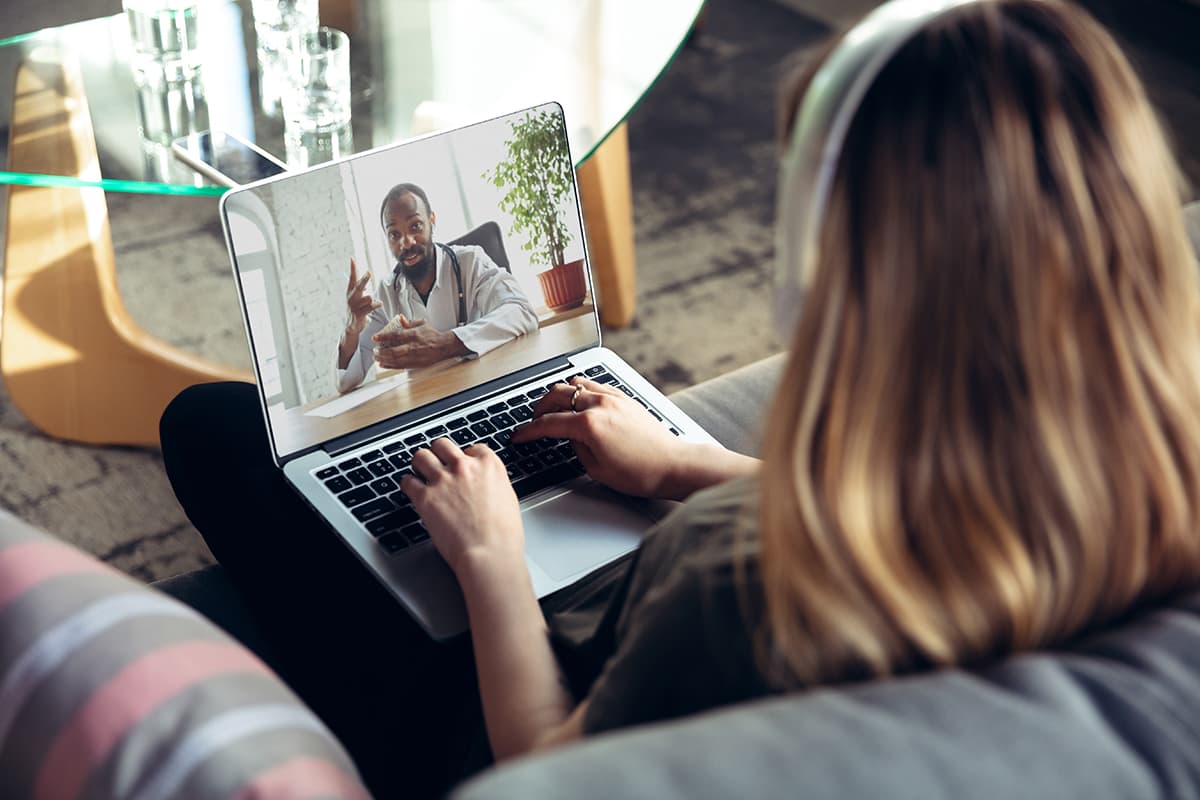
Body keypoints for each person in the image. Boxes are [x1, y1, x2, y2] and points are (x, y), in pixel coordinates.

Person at [159, 0, 1200, 796]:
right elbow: (936, 528)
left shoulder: (733, 589)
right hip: (642, 523)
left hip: (507, 692)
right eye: (392, 234)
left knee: (210, 427)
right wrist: (686, 463)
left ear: (820, 278)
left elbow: (542, 757)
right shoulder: (1145, 478)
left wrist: (490, 561)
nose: (403, 242)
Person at [335, 183, 538, 392]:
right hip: (427, 403)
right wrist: (352, 327)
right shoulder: (387, 292)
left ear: (432, 221)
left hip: (483, 388)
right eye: (394, 234)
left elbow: (522, 312)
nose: (406, 242)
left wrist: (446, 343)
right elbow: (346, 382)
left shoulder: (470, 261)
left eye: (415, 226)